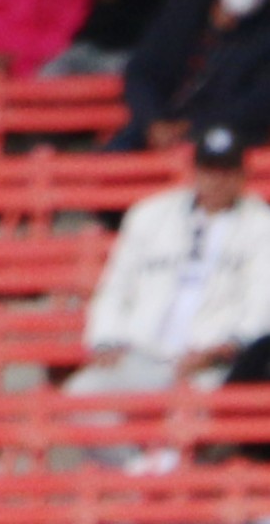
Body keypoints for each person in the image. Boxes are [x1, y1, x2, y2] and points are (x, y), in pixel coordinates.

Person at [74, 125, 270, 391]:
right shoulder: (150, 215)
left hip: (214, 363)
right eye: (209, 169)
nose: (217, 180)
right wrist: (107, 339)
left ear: (243, 175)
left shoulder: (261, 225)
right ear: (195, 171)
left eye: (227, 171)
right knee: (84, 394)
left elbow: (260, 304)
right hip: (139, 353)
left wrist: (224, 349)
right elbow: (117, 287)